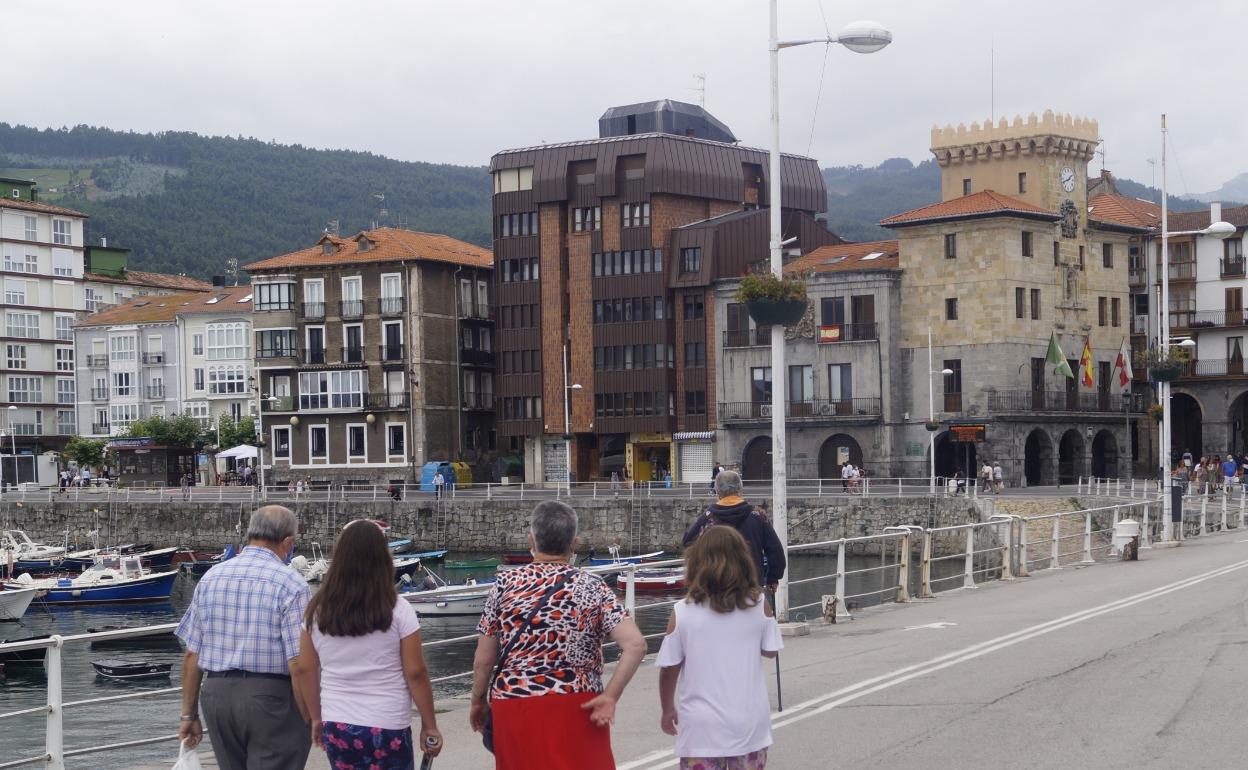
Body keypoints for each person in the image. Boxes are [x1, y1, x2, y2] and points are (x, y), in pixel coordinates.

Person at [469, 501, 647, 770]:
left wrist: (478, 700)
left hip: (515, 705)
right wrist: (610, 696)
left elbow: (484, 659)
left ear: (531, 539)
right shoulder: (593, 587)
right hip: (578, 703)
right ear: (574, 544)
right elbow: (635, 645)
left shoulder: (505, 585)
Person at [294, 519, 443, 769]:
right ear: (383, 558)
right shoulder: (398, 609)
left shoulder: (317, 610)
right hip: (388, 721)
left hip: (337, 721)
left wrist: (316, 718)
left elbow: (305, 669)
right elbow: (416, 673)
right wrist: (429, 724)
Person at [176, 506, 313, 770]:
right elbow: (298, 662)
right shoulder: (292, 584)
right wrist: (310, 716)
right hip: (271, 699)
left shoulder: (210, 578)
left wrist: (188, 714)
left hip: (216, 697)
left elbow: (192, 654)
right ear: (287, 542)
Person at [658, 526, 782, 769]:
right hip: (749, 723)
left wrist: (667, 709)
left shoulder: (681, 612)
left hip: (700, 728)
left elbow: (668, 669)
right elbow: (771, 651)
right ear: (744, 560)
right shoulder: (759, 604)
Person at [681, 470, 786, 592]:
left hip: (718, 589)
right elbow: (775, 552)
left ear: (717, 491)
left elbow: (688, 543)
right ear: (740, 489)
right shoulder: (757, 517)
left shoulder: (707, 518)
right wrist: (772, 578)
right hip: (752, 587)